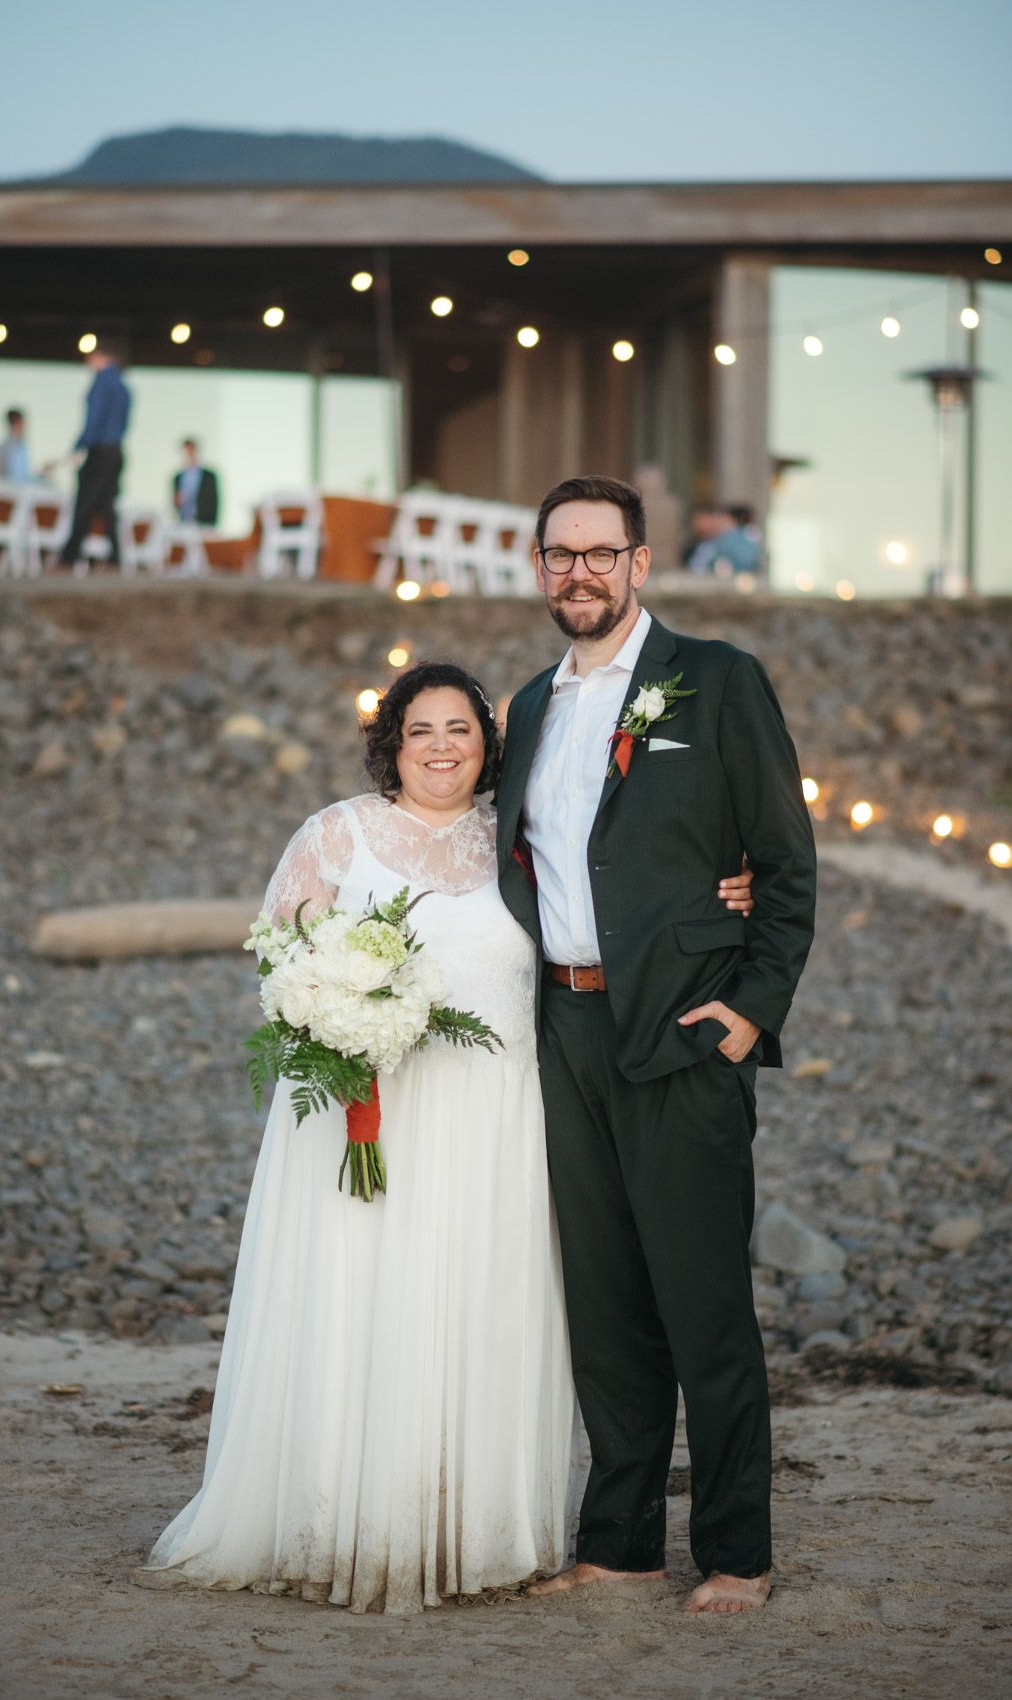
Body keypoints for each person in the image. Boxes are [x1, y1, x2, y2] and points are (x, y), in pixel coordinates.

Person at [137, 661, 757, 1613]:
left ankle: (467, 1525)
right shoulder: (338, 834)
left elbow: (616, 888)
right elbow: (281, 960)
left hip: (494, 1121)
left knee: (482, 1307)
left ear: (487, 748)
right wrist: (339, 1018)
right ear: (391, 742)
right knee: (362, 1305)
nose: (440, 747)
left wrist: (732, 891)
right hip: (367, 1109)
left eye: (461, 731)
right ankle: (340, 1516)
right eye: (420, 730)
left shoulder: (514, 842)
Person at [496, 474, 816, 1614]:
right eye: (556, 554)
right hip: (567, 1027)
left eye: (598, 552)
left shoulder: (716, 680)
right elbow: (514, 857)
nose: (575, 571)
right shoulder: (527, 706)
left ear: (638, 563)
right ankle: (619, 1538)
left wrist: (749, 1006)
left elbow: (780, 862)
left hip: (685, 1030)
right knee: (604, 1300)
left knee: (700, 1302)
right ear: (538, 568)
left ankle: (736, 1552)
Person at [59, 339, 131, 571]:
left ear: (101, 356)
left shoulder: (102, 382)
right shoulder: (124, 387)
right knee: (107, 506)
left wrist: (80, 445)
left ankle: (68, 558)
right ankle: (114, 559)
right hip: (115, 453)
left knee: (85, 503)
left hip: (100, 452)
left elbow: (95, 419)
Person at [172, 438, 219, 526]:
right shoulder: (178, 477)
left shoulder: (209, 476)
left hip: (204, 523)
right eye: (186, 451)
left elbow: (214, 501)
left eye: (191, 451)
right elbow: (175, 503)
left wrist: (212, 524)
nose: (188, 454)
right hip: (184, 522)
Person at [0, 408, 34, 483]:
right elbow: (18, 479)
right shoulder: (13, 448)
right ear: (18, 423)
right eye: (24, 423)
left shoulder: (0, 448)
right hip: (11, 491)